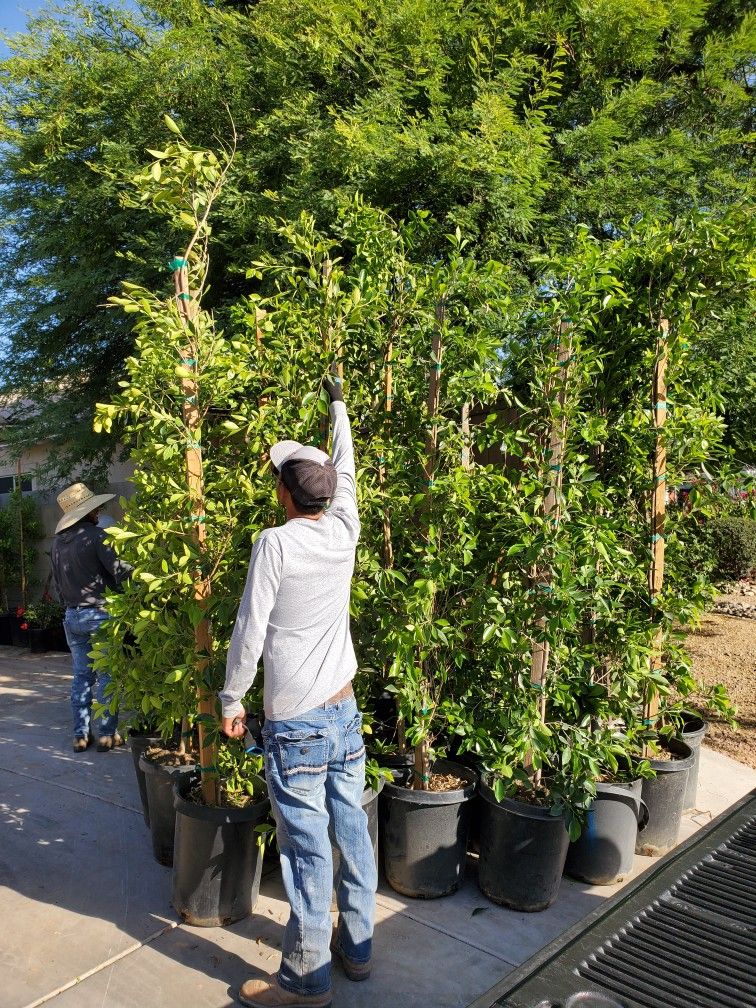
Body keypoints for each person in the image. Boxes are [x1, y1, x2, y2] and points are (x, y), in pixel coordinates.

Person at [220, 377, 375, 1008]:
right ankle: (358, 949)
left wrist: (232, 699)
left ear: (285, 494)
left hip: (298, 723)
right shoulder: (345, 530)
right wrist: (340, 405)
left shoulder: (276, 543)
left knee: (307, 849)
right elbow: (348, 467)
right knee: (352, 830)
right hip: (343, 710)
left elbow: (249, 629)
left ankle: (307, 981)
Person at [51, 482, 131, 753]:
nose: (98, 512)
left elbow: (59, 586)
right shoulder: (97, 537)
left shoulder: (58, 544)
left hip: (72, 616)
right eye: (95, 508)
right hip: (100, 614)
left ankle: (81, 735)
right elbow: (122, 573)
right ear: (87, 512)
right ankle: (107, 734)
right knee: (108, 676)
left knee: (81, 676)